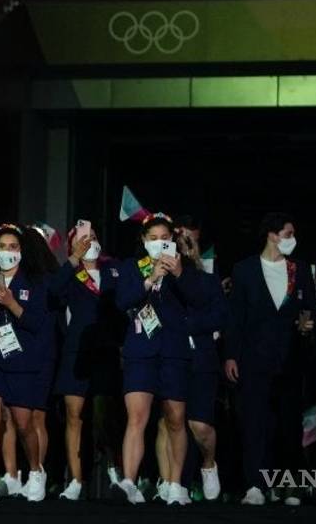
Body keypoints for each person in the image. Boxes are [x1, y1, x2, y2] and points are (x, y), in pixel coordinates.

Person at [223, 212, 316, 506]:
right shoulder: (244, 270)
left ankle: (288, 485)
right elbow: (235, 317)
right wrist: (230, 356)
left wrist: (306, 324)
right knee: (254, 422)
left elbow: (309, 307)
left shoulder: (299, 269)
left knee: (290, 424)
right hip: (253, 358)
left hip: (290, 357)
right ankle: (255, 484)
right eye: (288, 234)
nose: (292, 239)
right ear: (272, 235)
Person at [113, 213, 204, 506]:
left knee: (175, 419)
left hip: (174, 353)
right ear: (143, 241)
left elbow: (200, 301)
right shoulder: (132, 267)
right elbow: (122, 301)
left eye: (165, 238)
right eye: (153, 239)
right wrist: (151, 277)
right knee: (137, 416)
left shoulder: (185, 268)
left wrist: (177, 273)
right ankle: (129, 481)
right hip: (140, 350)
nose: (159, 243)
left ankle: (176, 484)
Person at [0, 224, 52, 502]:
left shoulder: (34, 281)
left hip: (21, 357)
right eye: (2, 246)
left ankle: (35, 470)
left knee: (23, 422)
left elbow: (37, 323)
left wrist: (11, 302)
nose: (7, 252)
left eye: (13, 247)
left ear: (21, 251)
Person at [51, 222, 120, 501]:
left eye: (92, 237)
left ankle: (116, 471)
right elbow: (53, 290)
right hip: (76, 353)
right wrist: (74, 259)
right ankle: (76, 480)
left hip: (105, 352)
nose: (88, 242)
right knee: (73, 416)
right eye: (82, 239)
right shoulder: (70, 273)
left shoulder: (113, 270)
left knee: (104, 417)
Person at [168, 217, 226, 502]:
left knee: (200, 426)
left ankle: (209, 464)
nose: (184, 250)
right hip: (171, 360)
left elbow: (218, 316)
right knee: (173, 423)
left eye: (188, 245)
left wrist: (189, 323)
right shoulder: (163, 279)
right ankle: (175, 483)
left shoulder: (208, 280)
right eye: (178, 246)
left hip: (202, 360)